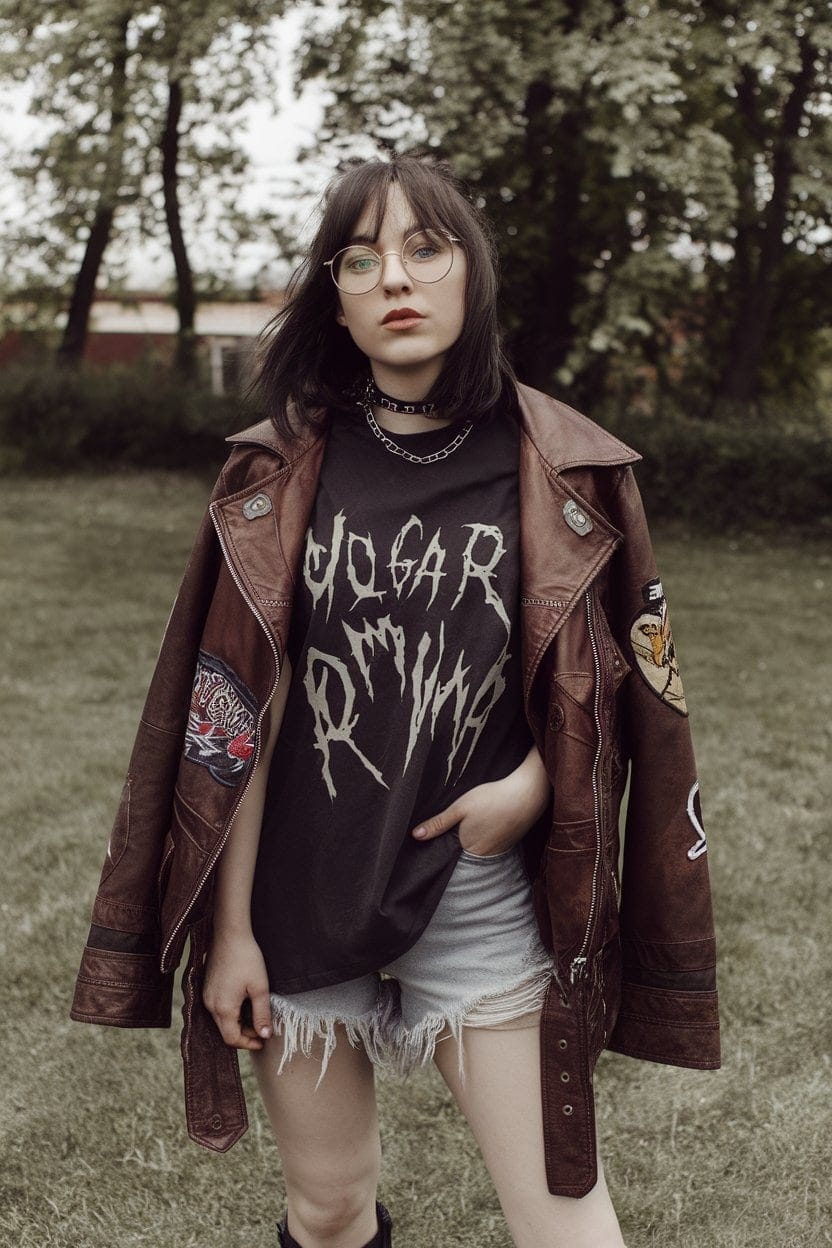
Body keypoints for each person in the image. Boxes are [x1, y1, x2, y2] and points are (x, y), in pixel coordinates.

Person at [70, 154, 720, 1248]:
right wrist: (231, 932)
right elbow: (238, 715)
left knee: (568, 1221)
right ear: (336, 299)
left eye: (425, 248)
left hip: (469, 890)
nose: (396, 279)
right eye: (361, 260)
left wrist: (533, 784)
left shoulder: (569, 468)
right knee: (328, 1208)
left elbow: (622, 686)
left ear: (473, 275)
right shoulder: (275, 472)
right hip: (295, 895)